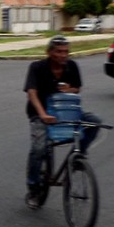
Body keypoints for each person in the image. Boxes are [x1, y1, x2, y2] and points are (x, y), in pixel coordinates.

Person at [23, 35, 100, 209]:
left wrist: (69, 89)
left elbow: (76, 89)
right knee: (38, 149)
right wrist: (43, 115)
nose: (63, 55)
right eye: (59, 52)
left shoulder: (72, 66)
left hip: (67, 112)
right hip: (40, 112)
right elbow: (32, 92)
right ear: (49, 52)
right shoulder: (37, 67)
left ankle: (77, 157)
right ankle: (34, 188)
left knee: (94, 123)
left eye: (66, 51)